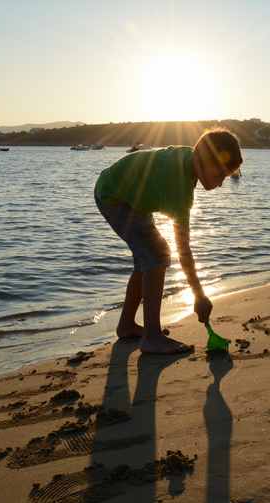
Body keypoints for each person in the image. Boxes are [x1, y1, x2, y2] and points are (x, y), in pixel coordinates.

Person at [94, 129, 244, 354]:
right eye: (219, 175)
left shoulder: (189, 159)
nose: (221, 184)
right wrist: (199, 295)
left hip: (135, 197)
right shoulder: (179, 188)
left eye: (225, 177)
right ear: (202, 160)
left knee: (148, 258)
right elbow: (184, 250)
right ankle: (151, 337)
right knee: (157, 256)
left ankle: (126, 325)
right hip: (114, 196)